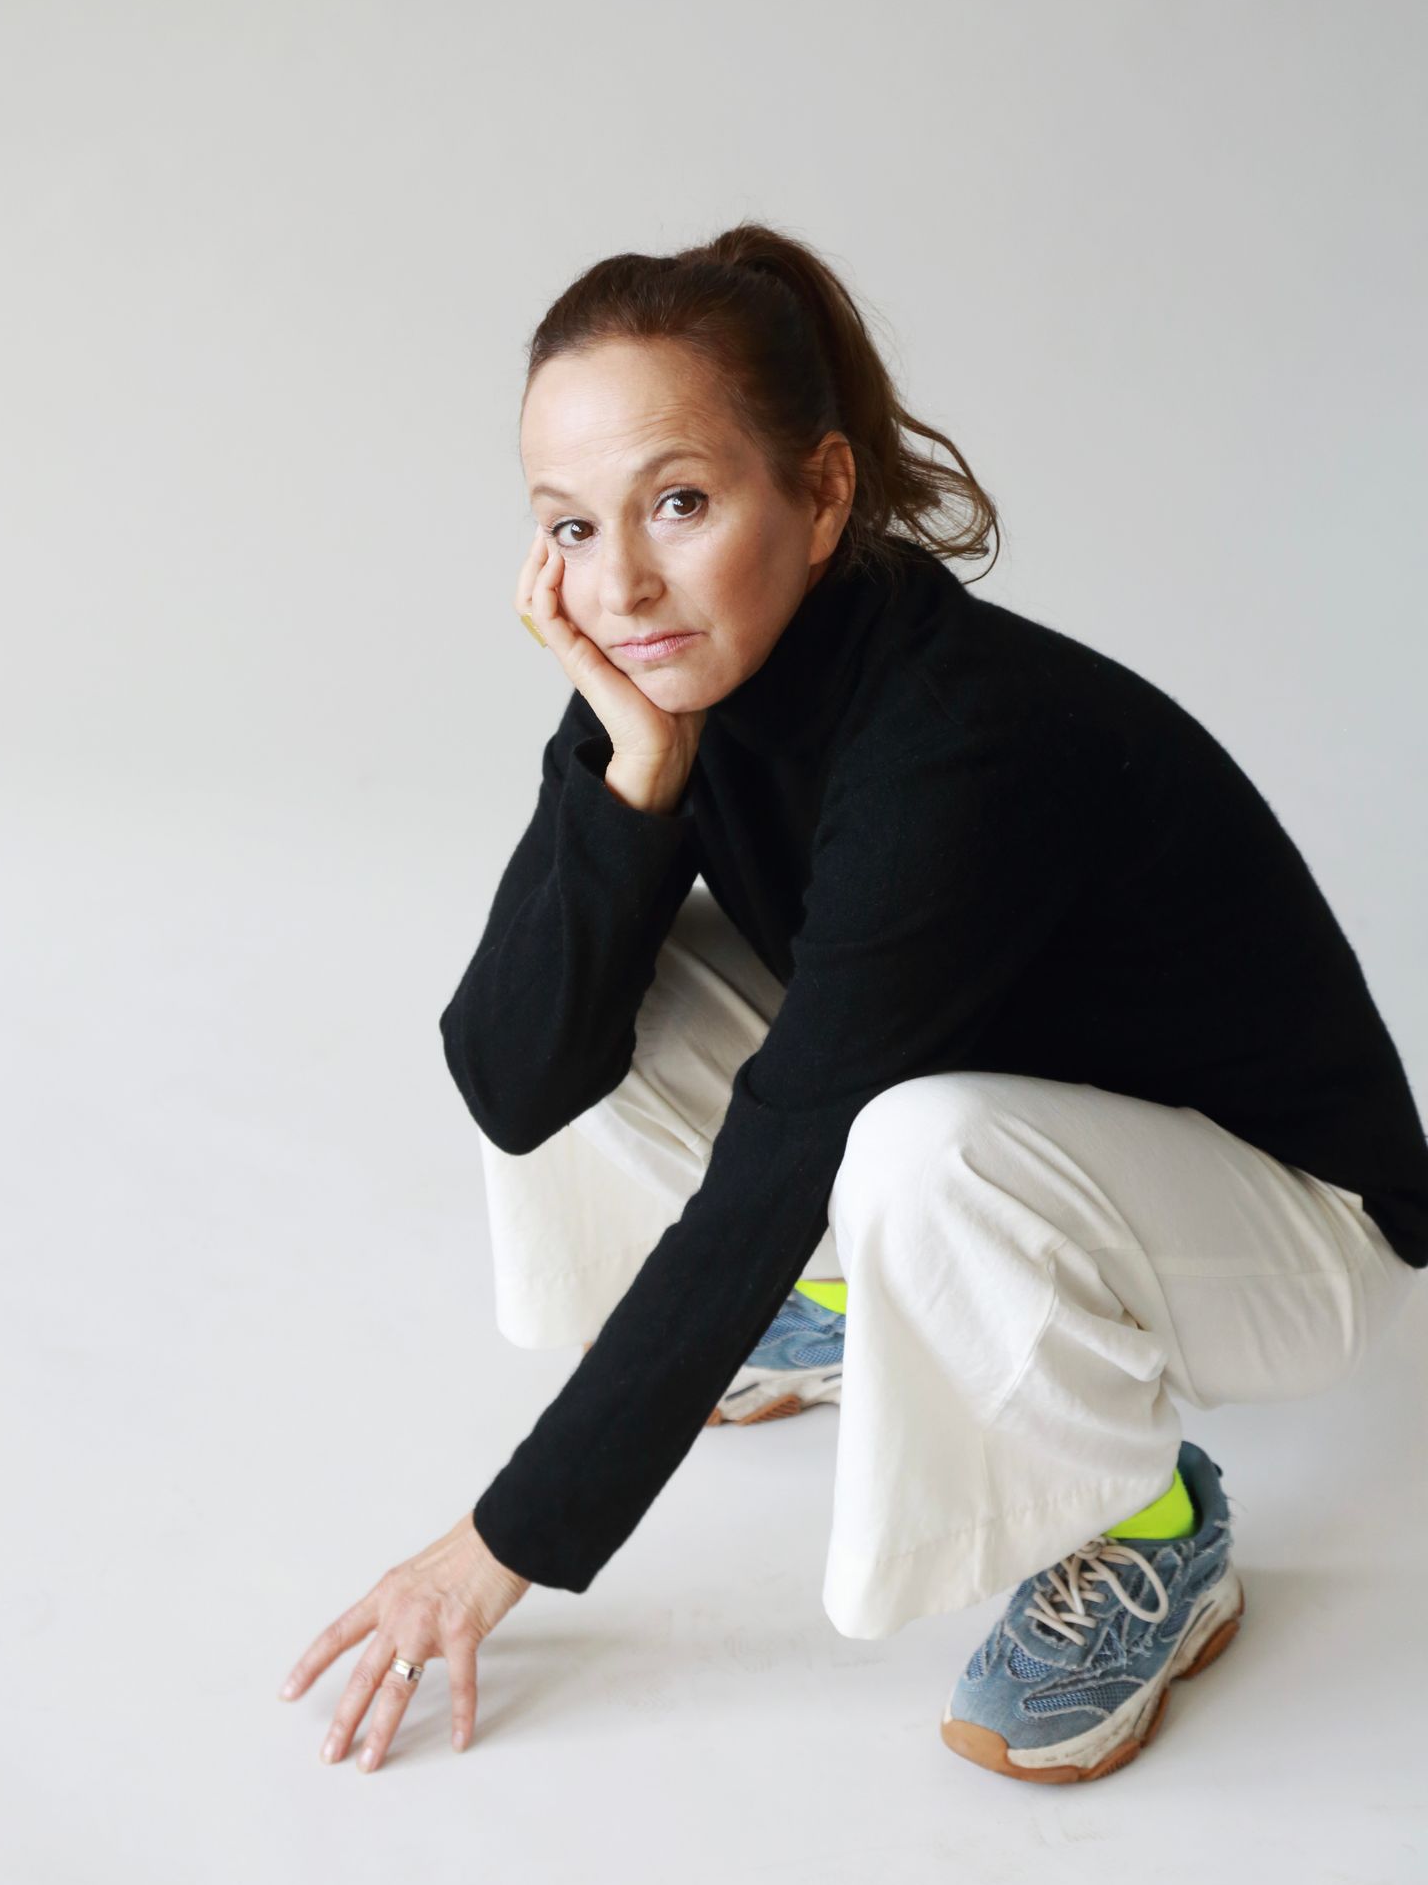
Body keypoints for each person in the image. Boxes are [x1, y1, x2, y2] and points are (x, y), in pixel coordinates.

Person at [280, 220, 1428, 1784]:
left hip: (1294, 1225)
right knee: (617, 963)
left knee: (913, 1152)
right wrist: (631, 778)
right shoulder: (668, 675)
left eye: (680, 504)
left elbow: (788, 1148)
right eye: (570, 526)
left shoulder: (955, 742)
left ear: (821, 495)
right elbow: (515, 1073)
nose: (619, 582)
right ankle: (860, 1311)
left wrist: (494, 1550)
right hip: (1021, 1105)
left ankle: (1150, 1520)